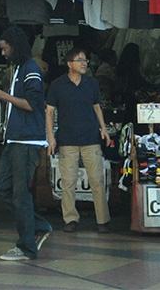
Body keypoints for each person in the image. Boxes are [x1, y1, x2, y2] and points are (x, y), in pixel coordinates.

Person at [0, 25, 52, 261]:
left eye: (4, 48)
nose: (3, 53)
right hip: (15, 140)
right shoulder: (22, 68)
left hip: (26, 140)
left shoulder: (30, 70)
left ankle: (26, 247)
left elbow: (33, 104)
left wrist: (3, 96)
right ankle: (38, 226)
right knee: (1, 187)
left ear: (15, 45)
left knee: (20, 194)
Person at [46, 46, 112, 232]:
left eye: (85, 60)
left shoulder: (91, 83)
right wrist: (51, 138)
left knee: (97, 180)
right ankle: (70, 219)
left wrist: (103, 129)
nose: (84, 63)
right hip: (67, 140)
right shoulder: (57, 85)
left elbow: (97, 106)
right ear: (69, 64)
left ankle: (103, 220)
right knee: (68, 182)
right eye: (80, 60)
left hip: (91, 138)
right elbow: (49, 112)